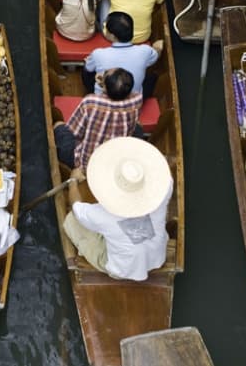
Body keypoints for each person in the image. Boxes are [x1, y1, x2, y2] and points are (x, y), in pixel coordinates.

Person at [63, 136, 173, 281]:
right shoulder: (166, 186)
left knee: (70, 220)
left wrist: (73, 181)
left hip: (122, 269)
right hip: (156, 256)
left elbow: (77, 208)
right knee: (122, 230)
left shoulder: (102, 215)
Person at [54, 67, 142, 168]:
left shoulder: (90, 102)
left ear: (104, 88)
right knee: (138, 126)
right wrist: (106, 86)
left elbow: (76, 132)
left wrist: (104, 87)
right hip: (114, 160)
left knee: (59, 126)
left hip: (85, 163)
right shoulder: (137, 100)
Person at [83, 12, 159, 98]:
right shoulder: (145, 50)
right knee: (151, 77)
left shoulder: (98, 54)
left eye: (105, 28)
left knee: (87, 68)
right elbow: (155, 57)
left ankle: (89, 90)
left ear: (112, 36)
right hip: (133, 102)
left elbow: (89, 69)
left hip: (103, 99)